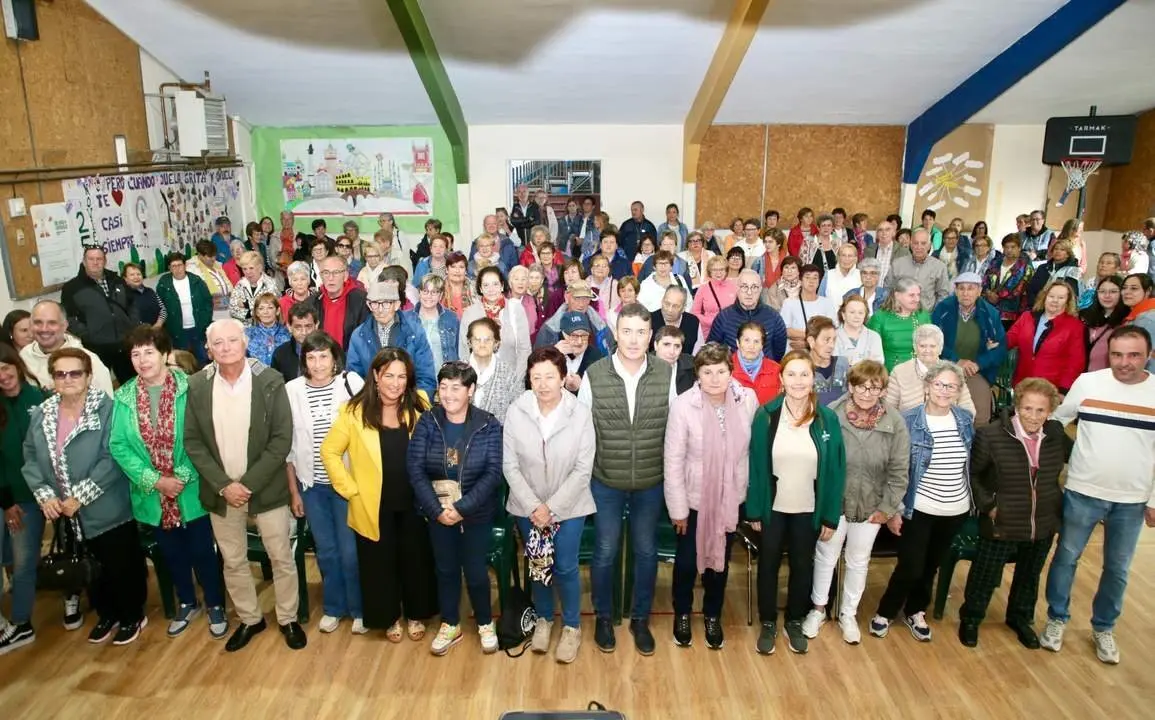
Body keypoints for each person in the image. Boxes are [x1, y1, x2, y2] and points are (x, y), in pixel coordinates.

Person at [182, 319, 304, 652]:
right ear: (208, 349)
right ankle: (251, 619)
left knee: (280, 556)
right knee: (233, 560)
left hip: (266, 488)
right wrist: (224, 486)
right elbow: (192, 442)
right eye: (217, 343)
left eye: (232, 340)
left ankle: (288, 617)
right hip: (221, 494)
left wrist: (247, 484)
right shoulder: (197, 386)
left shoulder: (270, 380)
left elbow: (282, 439)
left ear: (245, 341)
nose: (225, 348)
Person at [1039, 326, 1155, 664]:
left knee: (1117, 569)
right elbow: (1057, 422)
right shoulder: (1088, 383)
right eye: (1117, 354)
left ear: (1148, 355)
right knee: (1066, 558)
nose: (1124, 362)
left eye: (1134, 355)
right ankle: (1056, 620)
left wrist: (1153, 500)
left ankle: (1104, 628)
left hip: (1132, 499)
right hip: (1082, 491)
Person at [108, 326, 227, 640]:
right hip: (152, 494)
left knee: (203, 550)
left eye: (149, 352)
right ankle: (187, 602)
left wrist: (180, 478)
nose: (142, 360)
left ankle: (215, 603)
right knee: (171, 552)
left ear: (164, 354)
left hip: (191, 488)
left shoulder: (192, 387)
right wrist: (155, 481)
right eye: (135, 354)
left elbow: (205, 436)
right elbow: (118, 445)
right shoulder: (124, 396)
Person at [24, 348, 148, 645]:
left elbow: (112, 456)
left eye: (75, 373)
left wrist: (80, 496)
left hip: (107, 506)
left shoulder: (108, 409)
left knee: (120, 564)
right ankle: (107, 614)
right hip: (65, 511)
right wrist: (45, 495)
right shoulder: (42, 413)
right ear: (52, 378)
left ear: (89, 376)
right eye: (60, 374)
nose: (67, 379)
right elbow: (29, 456)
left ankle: (132, 615)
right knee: (88, 567)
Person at [577, 303, 675, 655]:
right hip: (605, 480)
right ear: (615, 333)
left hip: (650, 480)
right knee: (604, 551)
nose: (634, 339)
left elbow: (674, 431)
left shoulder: (666, 373)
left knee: (646, 551)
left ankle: (640, 619)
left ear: (651, 337)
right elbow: (583, 431)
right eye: (627, 331)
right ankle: (604, 617)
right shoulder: (595, 373)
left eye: (641, 332)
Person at [320, 347, 436, 643]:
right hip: (373, 503)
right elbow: (330, 451)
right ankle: (389, 617)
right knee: (379, 564)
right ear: (375, 375)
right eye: (389, 376)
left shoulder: (420, 403)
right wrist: (349, 490)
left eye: (402, 376)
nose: (396, 383)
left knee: (415, 560)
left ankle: (415, 614)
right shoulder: (353, 411)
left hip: (415, 500)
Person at [958, 377, 1071, 649]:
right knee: (985, 574)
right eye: (1027, 408)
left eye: (1040, 410)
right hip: (1002, 521)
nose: (1033, 416)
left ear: (1050, 411)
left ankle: (1020, 618)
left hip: (1042, 522)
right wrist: (989, 507)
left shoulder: (1056, 436)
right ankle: (971, 618)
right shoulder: (991, 434)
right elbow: (974, 475)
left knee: (1029, 576)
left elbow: (1079, 463)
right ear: (1017, 405)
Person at [803, 360, 908, 644]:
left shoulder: (895, 423)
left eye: (874, 388)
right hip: (834, 504)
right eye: (860, 386)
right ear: (850, 386)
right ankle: (818, 609)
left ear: (883, 390)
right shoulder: (829, 414)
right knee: (826, 556)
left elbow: (899, 471)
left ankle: (848, 614)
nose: (866, 393)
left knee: (858, 560)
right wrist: (823, 503)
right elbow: (817, 463)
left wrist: (887, 508)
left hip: (871, 507)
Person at [747, 351, 846, 655]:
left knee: (803, 565)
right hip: (773, 508)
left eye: (805, 374)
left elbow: (836, 470)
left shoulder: (827, 417)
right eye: (792, 374)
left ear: (813, 378)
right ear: (781, 378)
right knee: (768, 564)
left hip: (809, 509)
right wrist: (753, 509)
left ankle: (794, 620)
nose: (798, 381)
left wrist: (831, 516)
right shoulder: (766, 415)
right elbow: (755, 466)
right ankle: (767, 622)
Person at [503, 347, 595, 663]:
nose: (543, 384)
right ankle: (543, 619)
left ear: (562, 378)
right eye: (536, 377)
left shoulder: (579, 413)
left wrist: (551, 508)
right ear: (528, 379)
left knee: (566, 565)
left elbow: (584, 468)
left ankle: (571, 626)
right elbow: (509, 465)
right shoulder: (517, 411)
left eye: (550, 377)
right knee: (538, 565)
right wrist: (534, 506)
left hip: (570, 506)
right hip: (527, 506)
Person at [871, 361, 974, 643]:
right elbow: (892, 468)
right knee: (911, 565)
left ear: (958, 390)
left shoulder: (965, 419)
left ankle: (916, 611)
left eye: (951, 386)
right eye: (939, 384)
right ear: (927, 387)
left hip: (955, 508)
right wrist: (892, 510)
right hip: (919, 508)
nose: (944, 390)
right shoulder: (907, 420)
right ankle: (886, 610)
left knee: (931, 566)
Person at [664, 343, 757, 650]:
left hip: (730, 498)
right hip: (693, 499)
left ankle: (712, 614)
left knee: (721, 561)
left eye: (721, 371)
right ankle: (682, 613)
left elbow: (752, 453)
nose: (715, 378)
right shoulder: (683, 405)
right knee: (688, 562)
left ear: (731, 372)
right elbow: (673, 459)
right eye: (708, 372)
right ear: (698, 375)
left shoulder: (747, 400)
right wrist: (677, 508)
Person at [408, 362, 504, 656]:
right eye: (443, 387)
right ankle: (451, 623)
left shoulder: (489, 424)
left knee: (475, 570)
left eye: (456, 387)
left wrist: (461, 508)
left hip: (475, 513)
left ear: (471, 390)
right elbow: (414, 468)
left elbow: (493, 472)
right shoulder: (427, 421)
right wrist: (437, 509)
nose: (448, 394)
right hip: (436, 511)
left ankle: (485, 622)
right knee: (445, 569)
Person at [285, 332, 365, 635]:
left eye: (323, 356)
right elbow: (289, 448)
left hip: (346, 484)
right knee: (327, 550)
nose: (317, 363)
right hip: (312, 485)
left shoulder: (351, 383)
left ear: (335, 359)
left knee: (350, 550)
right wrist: (295, 491)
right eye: (311, 357)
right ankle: (334, 606)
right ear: (304, 360)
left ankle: (359, 608)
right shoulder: (292, 390)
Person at [0, 345, 47, 654]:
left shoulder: (39, 399)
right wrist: (7, 503)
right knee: (12, 561)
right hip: (10, 498)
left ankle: (20, 622)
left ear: (16, 365)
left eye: (6, 367)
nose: (2, 376)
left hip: (38, 495)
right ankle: (16, 622)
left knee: (25, 561)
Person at [932, 272, 1007, 425]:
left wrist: (979, 364)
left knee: (980, 416)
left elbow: (1000, 349)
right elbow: (934, 341)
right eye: (961, 288)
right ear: (956, 290)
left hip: (976, 370)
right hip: (946, 366)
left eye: (971, 288)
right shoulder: (943, 309)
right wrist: (956, 360)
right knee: (943, 410)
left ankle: (977, 447)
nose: (966, 293)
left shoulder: (990, 314)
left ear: (979, 291)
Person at [60, 246, 136, 382]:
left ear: (105, 261)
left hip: (124, 345)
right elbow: (67, 318)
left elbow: (132, 305)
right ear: (84, 261)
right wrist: (88, 335)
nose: (95, 262)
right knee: (100, 386)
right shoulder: (72, 288)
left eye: (99, 259)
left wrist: (132, 327)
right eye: (91, 259)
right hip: (96, 348)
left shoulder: (117, 280)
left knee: (132, 385)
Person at [346, 284, 435, 395]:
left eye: (386, 303)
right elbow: (354, 378)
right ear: (368, 305)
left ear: (397, 305)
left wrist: (415, 406)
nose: (380, 309)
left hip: (408, 403)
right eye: (374, 303)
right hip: (372, 404)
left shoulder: (414, 332)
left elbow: (426, 376)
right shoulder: (359, 336)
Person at [1005, 280, 1086, 394]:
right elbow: (1008, 340)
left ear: (1068, 302)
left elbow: (1075, 363)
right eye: (1051, 296)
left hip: (1051, 389)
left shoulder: (1075, 326)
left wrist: (1063, 391)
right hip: (1023, 384)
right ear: (1044, 297)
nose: (1055, 300)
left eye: (1061, 298)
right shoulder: (1027, 317)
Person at [19, 300, 114, 394]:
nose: (44, 329)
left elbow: (106, 403)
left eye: (52, 323)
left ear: (64, 326)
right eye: (38, 322)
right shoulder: (22, 358)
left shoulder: (90, 361)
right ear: (30, 325)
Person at [886, 324, 977, 416]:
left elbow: (968, 408)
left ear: (940, 348)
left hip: (947, 426)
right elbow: (889, 409)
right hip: (909, 427)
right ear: (915, 347)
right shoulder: (899, 372)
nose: (927, 350)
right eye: (922, 346)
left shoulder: (954, 372)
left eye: (932, 346)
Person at [458, 266, 532, 374]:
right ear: (480, 288)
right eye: (486, 285)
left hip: (511, 377)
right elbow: (464, 350)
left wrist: (516, 379)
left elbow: (524, 349)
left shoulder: (516, 309)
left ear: (502, 286)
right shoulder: (470, 313)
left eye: (495, 284)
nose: (491, 289)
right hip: (478, 379)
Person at [707, 269, 788, 361]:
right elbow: (711, 351)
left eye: (754, 287)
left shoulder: (773, 317)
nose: (749, 292)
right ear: (737, 289)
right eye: (744, 286)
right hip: (732, 372)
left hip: (765, 372)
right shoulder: (724, 317)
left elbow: (779, 352)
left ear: (760, 289)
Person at [156, 252, 213, 365]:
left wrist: (205, 320)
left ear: (185, 265)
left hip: (198, 327)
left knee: (203, 357)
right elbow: (159, 305)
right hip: (177, 329)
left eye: (180, 265)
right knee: (181, 361)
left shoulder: (196, 281)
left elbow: (208, 302)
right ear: (169, 268)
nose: (177, 269)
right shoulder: (164, 283)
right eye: (174, 266)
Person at [464, 318, 521, 423]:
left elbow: (518, 412)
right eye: (477, 339)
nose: (482, 344)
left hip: (499, 436)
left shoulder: (509, 374)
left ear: (496, 343)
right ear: (469, 342)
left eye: (487, 339)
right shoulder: (458, 371)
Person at [867, 277, 931, 372]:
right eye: (911, 295)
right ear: (897, 295)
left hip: (920, 373)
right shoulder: (880, 318)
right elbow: (870, 352)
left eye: (918, 295)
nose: (917, 299)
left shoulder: (923, 316)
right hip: (890, 375)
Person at [887, 229, 949, 311]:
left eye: (923, 243)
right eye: (916, 243)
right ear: (911, 245)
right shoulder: (897, 264)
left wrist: (934, 315)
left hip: (925, 317)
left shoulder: (939, 267)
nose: (919, 247)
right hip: (899, 315)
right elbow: (888, 289)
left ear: (929, 245)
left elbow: (943, 295)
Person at [316, 255, 370, 349]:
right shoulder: (313, 302)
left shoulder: (361, 300)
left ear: (345, 276)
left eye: (336, 272)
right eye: (326, 273)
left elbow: (365, 337)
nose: (330, 278)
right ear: (321, 276)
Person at [408, 274, 460, 370]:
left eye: (434, 292)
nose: (429, 296)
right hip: (415, 378)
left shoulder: (451, 318)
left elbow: (458, 350)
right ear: (419, 293)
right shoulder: (406, 318)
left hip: (444, 377)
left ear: (440, 295)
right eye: (425, 291)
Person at [781, 264, 838, 352]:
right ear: (800, 280)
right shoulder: (789, 302)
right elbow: (786, 330)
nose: (811, 281)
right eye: (807, 277)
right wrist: (817, 337)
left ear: (819, 281)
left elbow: (832, 330)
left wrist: (808, 343)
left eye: (815, 278)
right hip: (796, 353)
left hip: (821, 352)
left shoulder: (827, 303)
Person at [984, 233, 1034, 330]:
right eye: (1006, 247)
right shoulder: (996, 261)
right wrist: (988, 292)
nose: (1009, 250)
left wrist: (997, 297)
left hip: (1010, 311)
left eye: (1013, 247)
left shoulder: (1025, 265)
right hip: (989, 307)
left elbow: (1020, 288)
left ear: (1019, 248)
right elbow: (986, 279)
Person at [1080, 275, 1128, 372]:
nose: (1107, 296)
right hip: (1084, 375)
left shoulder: (1127, 320)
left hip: (1109, 377)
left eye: (1113, 292)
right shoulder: (1086, 316)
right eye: (1102, 291)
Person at [730, 322, 781, 404]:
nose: (751, 346)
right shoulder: (725, 369)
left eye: (756, 341)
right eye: (747, 340)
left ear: (762, 345)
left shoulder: (776, 370)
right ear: (738, 343)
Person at [556, 311, 605, 393]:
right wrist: (553, 357)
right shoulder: (550, 355)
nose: (579, 342)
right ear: (563, 334)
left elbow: (604, 393)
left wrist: (582, 387)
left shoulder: (597, 358)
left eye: (584, 335)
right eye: (574, 336)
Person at [806, 316, 850, 406]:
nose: (831, 345)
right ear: (811, 341)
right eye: (826, 340)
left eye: (834, 340)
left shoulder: (842, 363)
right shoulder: (802, 369)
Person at [691, 256, 737, 342]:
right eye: (715, 270)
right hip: (709, 332)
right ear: (710, 271)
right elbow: (694, 313)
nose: (718, 273)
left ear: (726, 271)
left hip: (731, 332)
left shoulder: (734, 286)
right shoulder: (703, 288)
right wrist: (712, 321)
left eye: (721, 269)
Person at [228, 251, 279, 326]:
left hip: (265, 330)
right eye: (244, 269)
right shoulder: (240, 284)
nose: (248, 272)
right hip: (244, 331)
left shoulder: (270, 284)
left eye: (251, 268)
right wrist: (253, 311)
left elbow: (270, 310)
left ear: (260, 267)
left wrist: (246, 305)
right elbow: (233, 310)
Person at [1026, 238, 1080, 308]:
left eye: (1062, 250)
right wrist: (1034, 304)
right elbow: (1031, 289)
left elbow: (1072, 293)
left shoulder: (1072, 270)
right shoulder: (1042, 268)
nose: (1058, 251)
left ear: (1068, 254)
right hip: (1037, 305)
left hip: (1060, 307)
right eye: (1056, 249)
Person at [272, 302, 317, 382]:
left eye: (308, 326)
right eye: (298, 327)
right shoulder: (280, 354)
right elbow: (276, 387)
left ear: (316, 325)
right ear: (289, 327)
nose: (304, 332)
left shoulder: (329, 351)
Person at [835, 295, 885, 366]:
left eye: (860, 313)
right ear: (843, 315)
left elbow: (877, 366)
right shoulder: (833, 336)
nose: (857, 316)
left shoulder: (874, 337)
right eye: (852, 312)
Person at [244, 293, 290, 367]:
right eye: (261, 308)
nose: (266, 312)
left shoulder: (288, 334)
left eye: (270, 308)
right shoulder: (248, 334)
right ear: (257, 312)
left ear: (277, 311)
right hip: (256, 377)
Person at [649, 286, 698, 352]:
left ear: (684, 308)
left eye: (675, 306)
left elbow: (698, 353)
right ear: (662, 301)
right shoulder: (649, 321)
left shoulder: (693, 323)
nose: (670, 310)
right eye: (667, 304)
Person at [864, 218, 909, 287]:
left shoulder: (903, 252)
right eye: (880, 230)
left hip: (892, 294)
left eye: (887, 230)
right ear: (877, 234)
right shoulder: (869, 250)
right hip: (872, 292)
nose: (884, 233)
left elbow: (907, 277)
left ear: (893, 233)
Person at [121, 263, 166, 329]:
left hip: (158, 332)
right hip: (139, 336)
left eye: (138, 274)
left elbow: (163, 310)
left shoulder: (150, 291)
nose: (136, 277)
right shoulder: (123, 296)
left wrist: (158, 325)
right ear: (125, 279)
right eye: (132, 275)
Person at [654, 325, 696, 395]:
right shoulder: (642, 366)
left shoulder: (692, 365)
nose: (672, 352)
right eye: (666, 344)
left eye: (677, 346)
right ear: (656, 345)